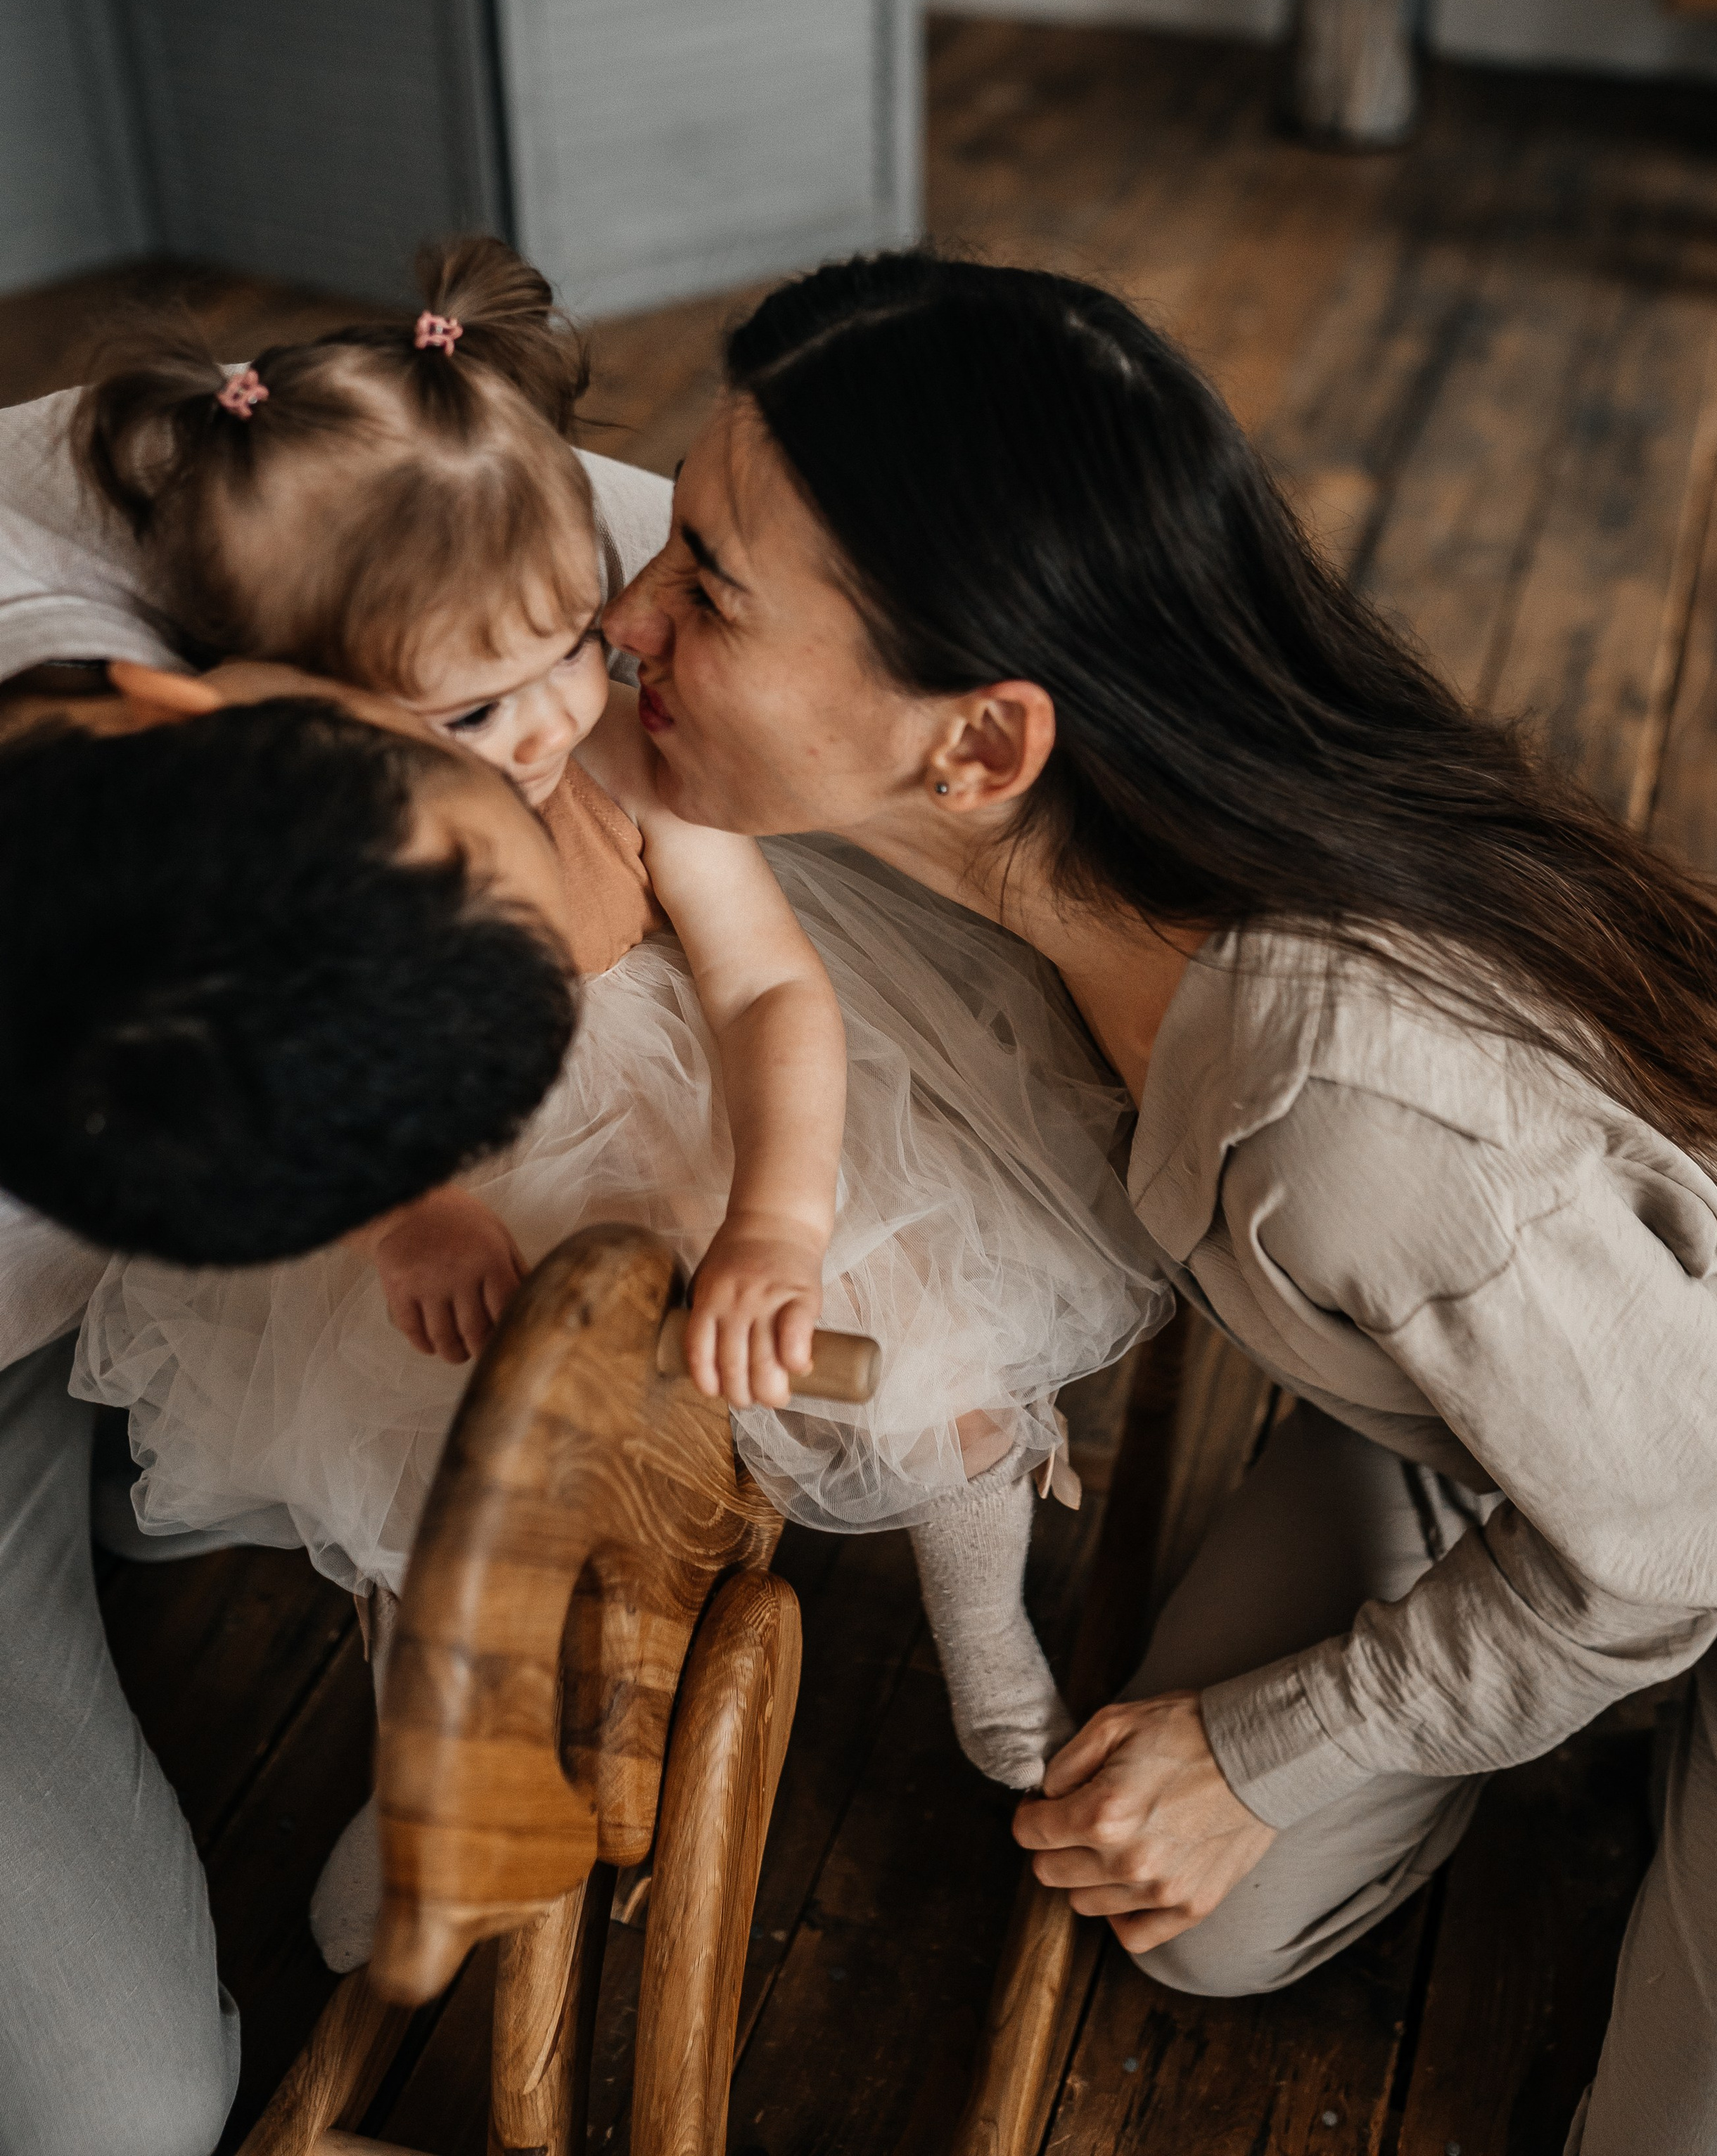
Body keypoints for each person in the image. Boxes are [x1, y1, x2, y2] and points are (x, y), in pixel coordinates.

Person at [592, 249, 1717, 2156]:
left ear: (980, 743)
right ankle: (1507, 1528)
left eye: (707, 588)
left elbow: (1694, 1524)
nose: (629, 618)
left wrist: (1272, 1748)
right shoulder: (1069, 854)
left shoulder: (1347, 1114)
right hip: (1494, 1396)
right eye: (670, 543)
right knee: (1197, 1922)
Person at [68, 238, 1168, 1838]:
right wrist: (413, 1213)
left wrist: (776, 1220)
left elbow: (764, 991)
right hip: (458, 1177)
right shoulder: (308, 847)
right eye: (466, 714)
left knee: (932, 1343)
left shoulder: (614, 767)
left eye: (567, 650)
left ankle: (982, 1618)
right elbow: (277, 1086)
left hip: (684, 1105)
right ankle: (439, 1792)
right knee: (436, 1511)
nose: (538, 730)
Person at [0, 359, 669, 2156]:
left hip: (86, 1318)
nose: (536, 766)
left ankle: (139, 1506)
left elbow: (536, 506)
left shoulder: (106, 511)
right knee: (121, 2122)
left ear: (163, 702)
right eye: (468, 750)